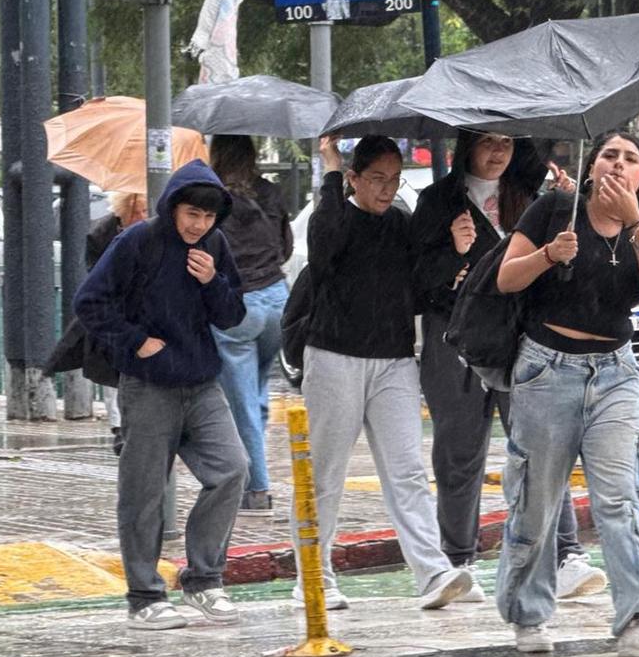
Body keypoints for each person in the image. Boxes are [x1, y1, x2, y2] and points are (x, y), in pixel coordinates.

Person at [495, 130, 639, 657]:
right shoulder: (555, 210)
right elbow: (507, 279)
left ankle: (638, 617)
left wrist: (637, 222)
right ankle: (528, 614)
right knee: (536, 502)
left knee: (620, 498)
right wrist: (549, 254)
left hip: (615, 373)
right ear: (592, 166)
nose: (620, 166)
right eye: (610, 156)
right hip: (546, 369)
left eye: (632, 159)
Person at [411, 131, 605, 603]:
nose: (497, 152)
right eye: (487, 143)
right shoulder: (439, 201)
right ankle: (457, 559)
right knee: (459, 451)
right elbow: (418, 281)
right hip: (455, 340)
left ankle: (564, 554)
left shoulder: (533, 200)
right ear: (466, 147)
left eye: (506, 143)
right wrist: (454, 255)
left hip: (521, 338)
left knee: (542, 445)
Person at [291, 134, 471, 611]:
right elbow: (324, 247)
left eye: (393, 180)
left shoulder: (402, 225)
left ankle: (431, 572)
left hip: (394, 360)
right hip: (333, 358)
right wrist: (329, 169)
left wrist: (455, 253)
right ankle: (314, 576)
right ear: (353, 179)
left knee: (408, 469)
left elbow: (420, 289)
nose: (387, 189)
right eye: (376, 179)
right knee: (325, 471)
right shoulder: (334, 215)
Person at [75, 160, 249, 631]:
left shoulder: (213, 245)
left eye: (209, 217)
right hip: (148, 385)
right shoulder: (138, 241)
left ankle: (204, 581)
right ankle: (144, 596)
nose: (200, 224)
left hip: (201, 383)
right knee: (144, 491)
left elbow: (232, 315)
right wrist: (135, 341)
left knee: (233, 470)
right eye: (192, 213)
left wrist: (212, 280)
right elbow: (89, 302)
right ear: (173, 206)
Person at [209, 135, 293, 518]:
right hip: (277, 300)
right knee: (256, 393)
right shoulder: (270, 193)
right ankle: (252, 476)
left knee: (241, 404)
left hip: (237, 307)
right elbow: (286, 247)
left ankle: (257, 489)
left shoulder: (212, 198)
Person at [88, 191, 149, 456]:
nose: (146, 216)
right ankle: (119, 428)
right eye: (143, 210)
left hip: (144, 315)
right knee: (115, 371)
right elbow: (95, 278)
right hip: (116, 314)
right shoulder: (103, 233)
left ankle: (136, 426)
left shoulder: (154, 233)